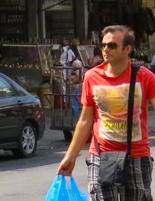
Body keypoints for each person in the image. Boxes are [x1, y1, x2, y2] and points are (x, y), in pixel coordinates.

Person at [56, 25, 155, 201]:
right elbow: (85, 121)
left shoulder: (145, 77)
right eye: (103, 45)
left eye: (112, 45)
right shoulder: (92, 77)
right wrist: (70, 156)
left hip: (137, 156)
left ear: (127, 49)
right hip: (100, 155)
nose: (106, 49)